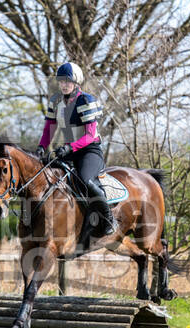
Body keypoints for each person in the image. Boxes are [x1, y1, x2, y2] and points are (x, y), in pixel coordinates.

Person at [36, 62, 117, 236]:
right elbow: (49, 129)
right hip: (69, 152)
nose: (64, 85)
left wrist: (69, 147)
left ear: (76, 82)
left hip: (89, 151)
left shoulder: (86, 100)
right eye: (61, 81)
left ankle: (109, 217)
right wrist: (41, 147)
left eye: (68, 81)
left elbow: (89, 136)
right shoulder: (55, 101)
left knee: (86, 179)